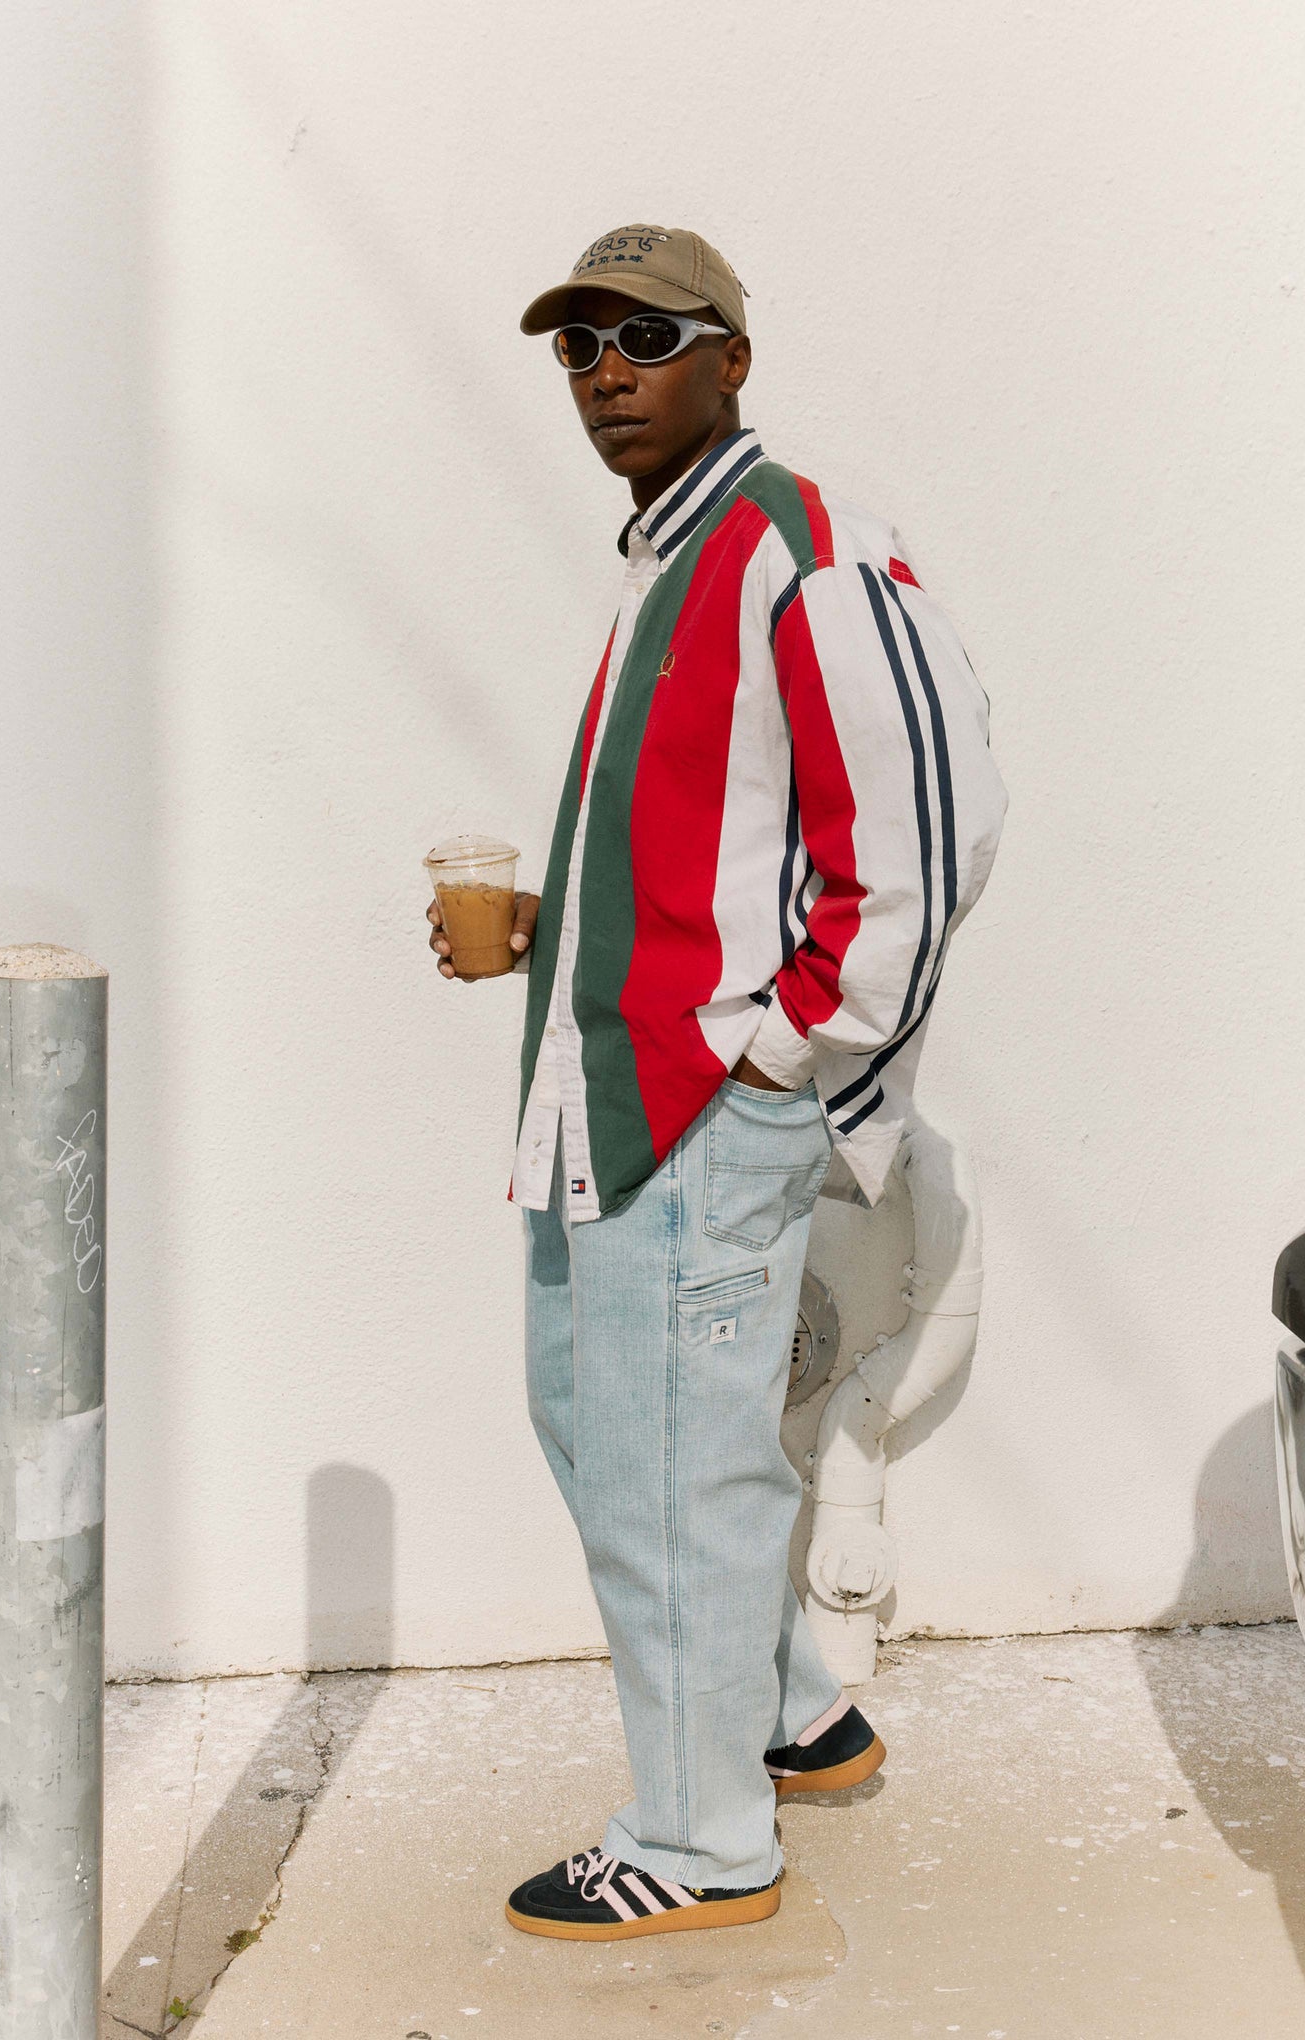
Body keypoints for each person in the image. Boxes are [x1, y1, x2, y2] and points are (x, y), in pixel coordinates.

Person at [426, 222, 1007, 1941]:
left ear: (732, 356)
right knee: (601, 1424)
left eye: (646, 336)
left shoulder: (802, 550)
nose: (607, 369)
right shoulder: (674, 556)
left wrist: (785, 1063)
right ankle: (787, 1716)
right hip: (605, 1095)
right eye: (579, 345)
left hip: (695, 1107)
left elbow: (919, 845)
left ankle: (699, 1839)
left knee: (669, 1460)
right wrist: (556, 923)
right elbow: (723, 850)